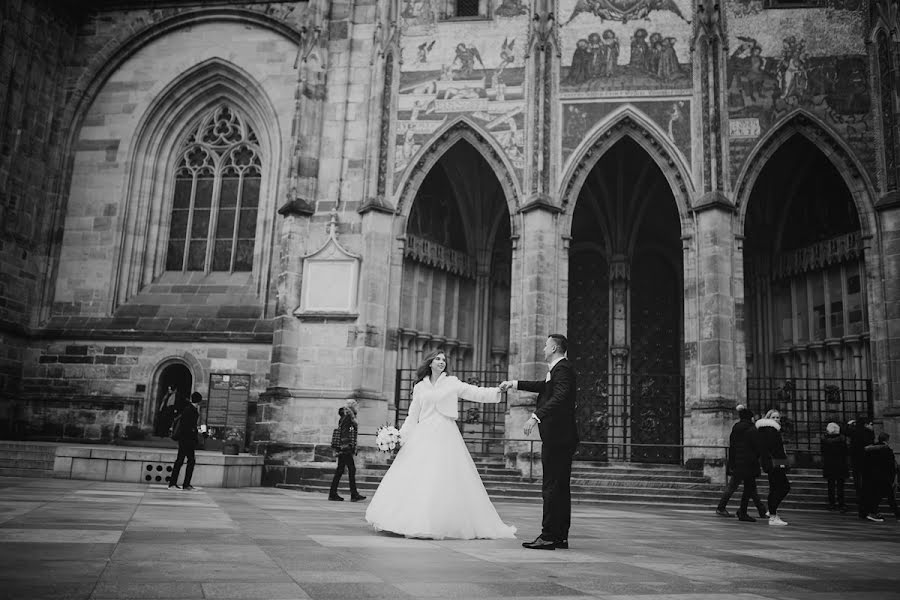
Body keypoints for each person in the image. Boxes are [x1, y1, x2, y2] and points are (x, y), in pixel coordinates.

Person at [364, 349, 516, 539]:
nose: (441, 362)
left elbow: (474, 392)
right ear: (430, 363)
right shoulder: (420, 387)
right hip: (424, 432)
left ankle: (441, 522)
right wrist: (399, 437)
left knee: (444, 476)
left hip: (446, 432)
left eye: (444, 359)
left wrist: (496, 391)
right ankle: (408, 520)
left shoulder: (452, 383)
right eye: (437, 359)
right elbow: (412, 416)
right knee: (418, 476)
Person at [500, 334, 578, 550]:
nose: (543, 349)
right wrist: (514, 384)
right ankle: (560, 535)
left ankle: (548, 536)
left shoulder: (561, 369)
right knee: (560, 488)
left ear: (553, 348)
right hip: (562, 437)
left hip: (558, 438)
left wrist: (536, 416)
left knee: (552, 487)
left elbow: (560, 396)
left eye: (545, 345)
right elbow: (544, 387)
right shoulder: (559, 369)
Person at [715, 407, 768, 521]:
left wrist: (732, 463)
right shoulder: (752, 429)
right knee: (749, 488)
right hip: (749, 463)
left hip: (738, 462)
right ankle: (742, 511)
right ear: (751, 418)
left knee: (742, 487)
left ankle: (760, 510)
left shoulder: (735, 429)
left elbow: (732, 447)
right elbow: (757, 447)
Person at [756, 409, 790, 525]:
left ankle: (772, 512)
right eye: (774, 417)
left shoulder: (765, 430)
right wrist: (783, 464)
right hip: (775, 464)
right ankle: (772, 514)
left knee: (774, 488)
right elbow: (776, 450)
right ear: (768, 418)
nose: (776, 419)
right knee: (784, 487)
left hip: (771, 464)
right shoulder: (771, 431)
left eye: (778, 417)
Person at [329, 400, 366, 502]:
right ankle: (353, 494)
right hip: (345, 448)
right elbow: (344, 432)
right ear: (352, 406)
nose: (357, 407)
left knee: (340, 470)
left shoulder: (347, 415)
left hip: (344, 447)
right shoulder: (348, 416)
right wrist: (345, 446)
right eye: (356, 405)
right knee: (351, 469)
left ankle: (333, 493)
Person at [169, 392, 202, 491]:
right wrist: (196, 432)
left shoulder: (189, 409)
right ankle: (179, 484)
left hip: (186, 439)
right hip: (186, 440)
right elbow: (188, 426)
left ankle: (180, 484)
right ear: (199, 401)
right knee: (186, 461)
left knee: (184, 460)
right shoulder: (191, 410)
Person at [863, 432, 899, 522]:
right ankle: (897, 515)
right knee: (890, 497)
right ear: (887, 440)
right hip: (884, 477)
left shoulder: (869, 450)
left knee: (878, 496)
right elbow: (891, 466)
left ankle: (872, 512)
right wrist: (892, 477)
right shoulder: (887, 450)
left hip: (873, 476)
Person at [849, 416, 875, 518]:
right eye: (870, 423)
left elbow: (845, 430)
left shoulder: (854, 433)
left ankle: (862, 511)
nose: (871, 425)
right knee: (867, 488)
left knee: (859, 488)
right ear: (865, 424)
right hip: (866, 463)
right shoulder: (867, 434)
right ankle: (867, 510)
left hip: (856, 463)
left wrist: (850, 424)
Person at [820, 422, 849, 512]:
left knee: (830, 485)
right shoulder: (842, 440)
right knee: (840, 486)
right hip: (840, 464)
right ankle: (841, 504)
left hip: (829, 464)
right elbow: (846, 452)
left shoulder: (824, 440)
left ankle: (831, 504)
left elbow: (823, 452)